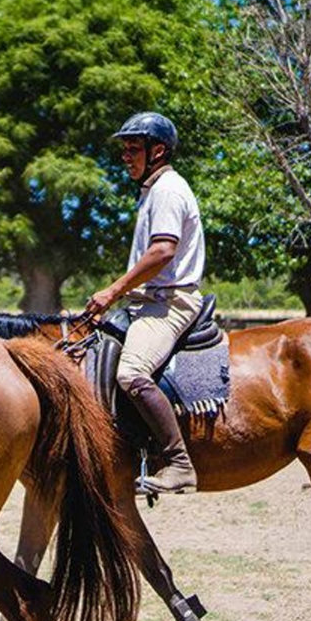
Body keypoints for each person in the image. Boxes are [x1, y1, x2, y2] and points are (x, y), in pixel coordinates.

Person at [84, 111, 205, 494]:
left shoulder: (168, 190)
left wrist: (111, 291)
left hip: (171, 303)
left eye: (133, 148)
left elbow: (163, 252)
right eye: (124, 150)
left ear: (159, 151)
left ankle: (178, 462)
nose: (126, 157)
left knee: (131, 373)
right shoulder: (152, 191)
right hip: (148, 301)